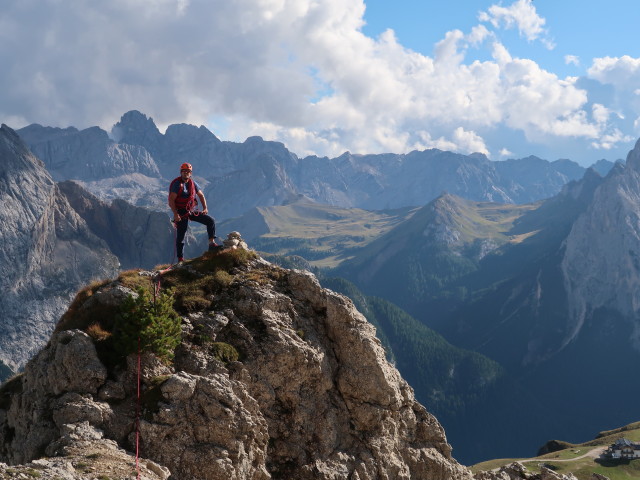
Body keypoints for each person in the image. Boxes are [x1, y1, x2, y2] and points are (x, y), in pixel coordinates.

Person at [168, 162, 217, 262]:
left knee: (210, 221)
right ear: (181, 172)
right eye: (184, 171)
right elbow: (171, 200)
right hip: (181, 212)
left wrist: (205, 208)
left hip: (191, 210)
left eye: (188, 171)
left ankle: (211, 243)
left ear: (190, 173)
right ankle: (180, 258)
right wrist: (176, 214)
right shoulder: (177, 184)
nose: (186, 173)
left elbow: (201, 195)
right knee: (181, 234)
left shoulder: (193, 183)